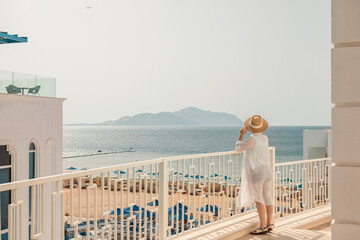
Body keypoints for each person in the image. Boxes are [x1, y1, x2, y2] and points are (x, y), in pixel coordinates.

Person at [235, 115, 274, 235]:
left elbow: (238, 149)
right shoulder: (265, 138)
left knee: (258, 198)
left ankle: (262, 227)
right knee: (267, 196)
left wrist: (241, 135)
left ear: (250, 127)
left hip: (257, 172)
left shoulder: (251, 139)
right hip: (267, 170)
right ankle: (269, 224)